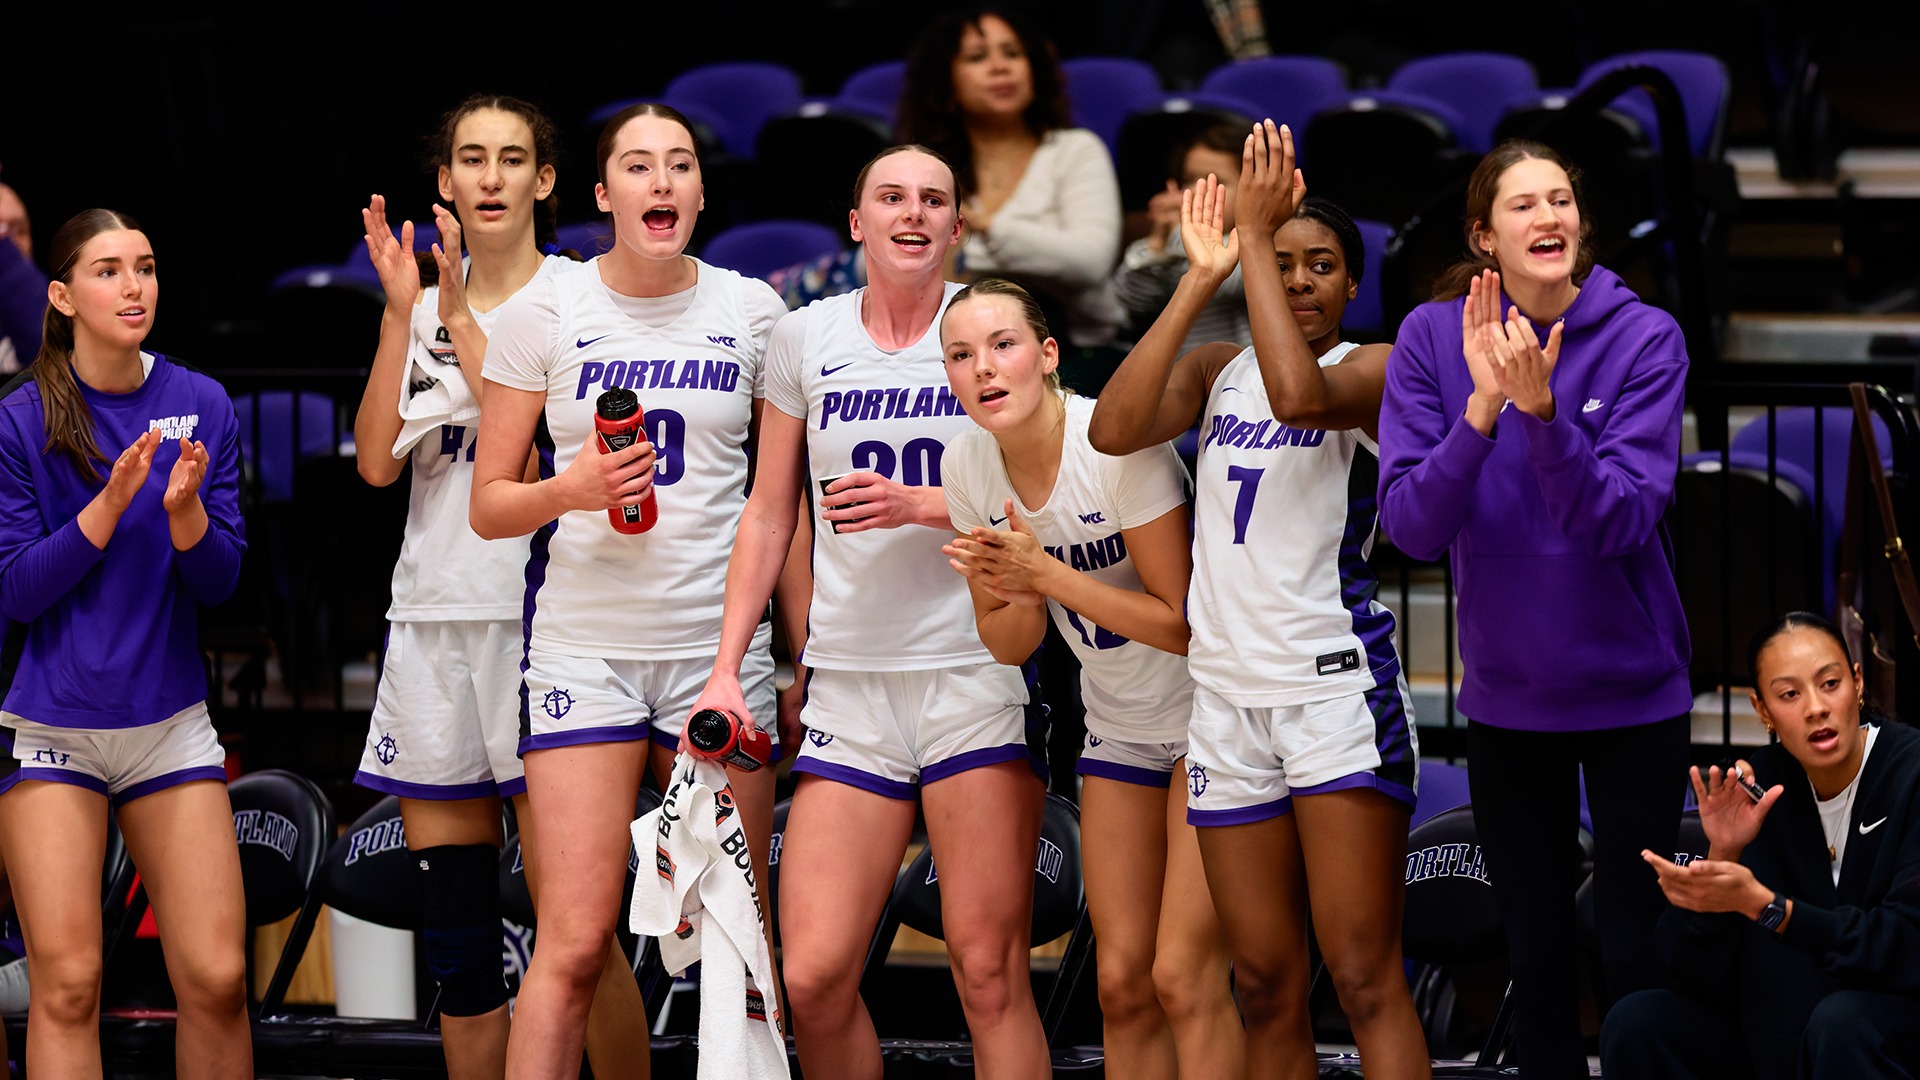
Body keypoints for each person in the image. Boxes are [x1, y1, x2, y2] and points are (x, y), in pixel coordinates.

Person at [692, 144, 1049, 1080]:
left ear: (958, 227)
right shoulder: (805, 337)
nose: (913, 212)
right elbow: (771, 512)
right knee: (809, 976)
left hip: (972, 672)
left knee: (986, 973)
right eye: (891, 197)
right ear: (857, 223)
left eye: (935, 199)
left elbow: (1043, 493)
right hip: (851, 686)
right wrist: (734, 665)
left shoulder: (985, 329)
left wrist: (923, 504)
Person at [1090, 121, 1429, 1079]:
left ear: (1353, 286)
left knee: (1363, 977)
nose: (1302, 279)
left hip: (1334, 695)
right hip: (1227, 704)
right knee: (1263, 982)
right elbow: (1114, 429)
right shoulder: (1213, 371)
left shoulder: (1380, 367)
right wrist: (1204, 276)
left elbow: (1296, 398)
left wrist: (1253, 234)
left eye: (1322, 265)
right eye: (1283, 262)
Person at [468, 103, 794, 1079]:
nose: (663, 183)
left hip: (717, 653)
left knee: (741, 942)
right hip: (584, 652)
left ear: (700, 189)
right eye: (640, 168)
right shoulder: (546, 311)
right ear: (603, 195)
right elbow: (489, 504)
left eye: (681, 165)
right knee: (570, 946)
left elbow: (784, 509)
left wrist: (800, 648)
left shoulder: (753, 312)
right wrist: (572, 488)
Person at [351, 94, 654, 1080]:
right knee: (459, 938)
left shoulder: (580, 297)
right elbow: (375, 467)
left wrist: (460, 323)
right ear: (445, 182)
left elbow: (541, 423)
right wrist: (407, 314)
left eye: (512, 158)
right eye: (470, 159)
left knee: (578, 932)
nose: (489, 176)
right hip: (431, 619)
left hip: (544, 629)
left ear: (546, 179)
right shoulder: (425, 297)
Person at [1376, 138, 1693, 1078]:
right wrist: (1481, 414)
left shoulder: (1645, 338)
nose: (1548, 217)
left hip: (1634, 692)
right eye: (1523, 205)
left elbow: (1623, 516)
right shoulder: (1433, 340)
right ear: (1485, 237)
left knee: (1637, 952)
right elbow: (1413, 527)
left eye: (1561, 199)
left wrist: (1544, 418)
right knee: (1538, 957)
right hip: (1510, 698)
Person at [939, 277, 1245, 1079]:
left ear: (1046, 356)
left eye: (1002, 346)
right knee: (1120, 983)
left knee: (1182, 977)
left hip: (1213, 719)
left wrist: (1043, 574)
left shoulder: (1113, 443)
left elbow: (1184, 626)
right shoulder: (967, 461)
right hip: (1119, 726)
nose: (983, 369)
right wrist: (1009, 586)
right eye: (961, 356)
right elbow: (1012, 644)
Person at [0, 209, 249, 1078]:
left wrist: (184, 516)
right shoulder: (23, 418)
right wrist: (108, 504)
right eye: (108, 271)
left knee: (217, 978)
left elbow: (221, 582)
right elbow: (18, 589)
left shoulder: (200, 402)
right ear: (63, 295)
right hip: (54, 727)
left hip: (168, 722)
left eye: (144, 266)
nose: (133, 285)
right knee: (67, 985)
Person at [1601, 612, 1920, 1079]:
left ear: (1856, 682)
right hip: (1785, 1034)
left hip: (1889, 1022)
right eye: (1789, 694)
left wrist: (1771, 908)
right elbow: (1689, 976)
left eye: (1829, 683)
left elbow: (1905, 950)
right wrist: (1722, 853)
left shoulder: (1910, 772)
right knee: (1639, 1022)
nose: (1815, 707)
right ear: (1762, 710)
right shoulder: (1757, 788)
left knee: (1843, 1021)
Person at [899, 6, 1126, 353]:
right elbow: (892, 262)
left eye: (1013, 53)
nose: (1000, 66)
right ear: (946, 83)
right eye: (977, 57)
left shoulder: (1075, 149)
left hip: (1074, 349)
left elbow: (1090, 262)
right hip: (941, 351)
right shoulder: (926, 165)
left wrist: (982, 227)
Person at [1112, 122, 1252, 351]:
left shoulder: (1264, 241)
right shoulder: (1173, 248)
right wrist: (1157, 245)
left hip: (1242, 377)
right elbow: (1132, 302)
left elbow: (1224, 279)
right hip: (1180, 375)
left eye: (1216, 181)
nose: (1198, 191)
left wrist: (1178, 237)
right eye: (1189, 180)